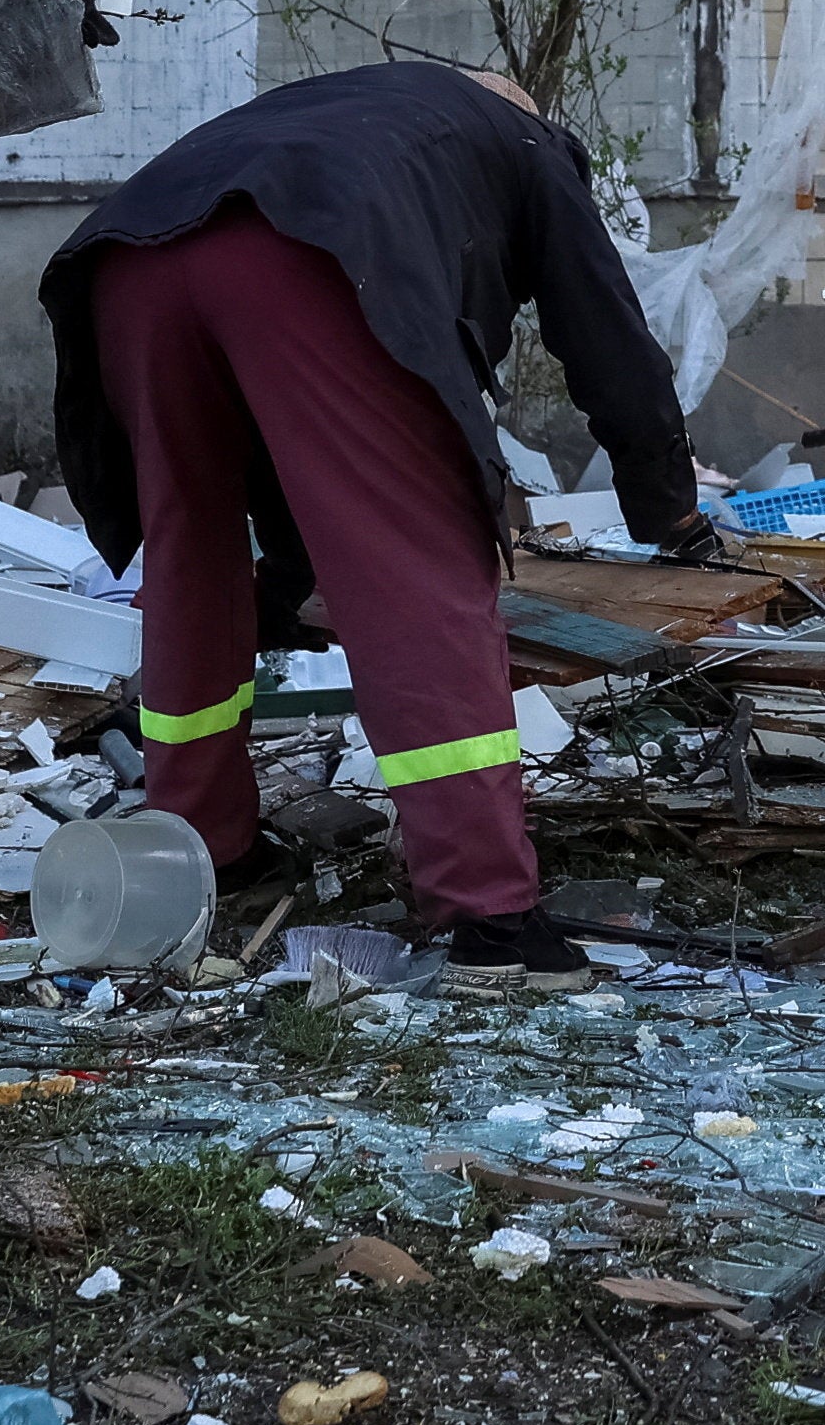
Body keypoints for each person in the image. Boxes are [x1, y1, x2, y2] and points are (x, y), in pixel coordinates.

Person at [40, 62, 707, 988]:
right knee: (416, 570)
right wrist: (668, 506)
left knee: (194, 561)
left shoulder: (361, 111)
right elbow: (603, 332)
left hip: (128, 267)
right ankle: (489, 918)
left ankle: (201, 849)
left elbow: (295, 455)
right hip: (311, 252)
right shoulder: (527, 145)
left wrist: (288, 568)